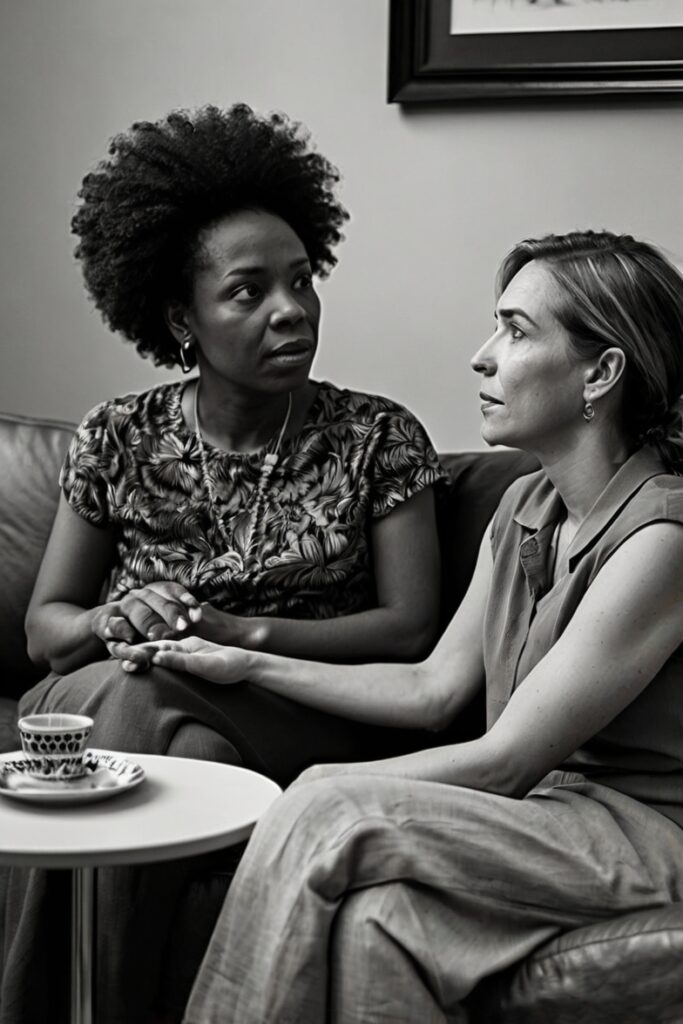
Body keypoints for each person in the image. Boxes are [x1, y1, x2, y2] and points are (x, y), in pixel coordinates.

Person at [131, 230, 683, 1023]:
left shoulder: (662, 536)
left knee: (327, 810)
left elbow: (505, 760)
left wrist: (320, 786)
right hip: (547, 817)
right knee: (377, 922)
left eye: (515, 331)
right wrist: (249, 662)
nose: (482, 358)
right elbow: (433, 689)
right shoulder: (524, 508)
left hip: (647, 833)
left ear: (599, 374)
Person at [5, 105, 445, 1024]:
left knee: (135, 708)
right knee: (159, 720)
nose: (291, 309)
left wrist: (236, 634)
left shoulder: (377, 437)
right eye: (248, 291)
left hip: (296, 707)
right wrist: (113, 618)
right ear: (183, 317)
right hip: (129, 691)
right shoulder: (119, 435)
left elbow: (409, 630)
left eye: (301, 280)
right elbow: (48, 630)